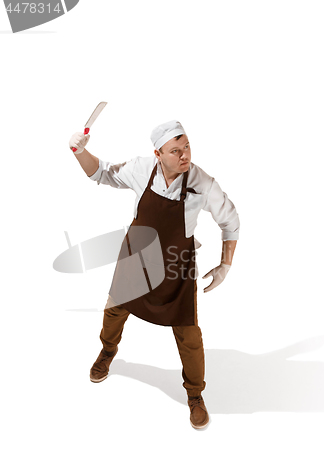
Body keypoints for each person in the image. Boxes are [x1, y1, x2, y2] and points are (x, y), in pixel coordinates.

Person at [69, 120, 240, 429]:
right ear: (158, 153)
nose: (185, 155)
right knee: (114, 309)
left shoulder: (202, 182)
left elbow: (231, 221)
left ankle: (195, 395)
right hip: (137, 255)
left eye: (187, 146)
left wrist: (225, 264)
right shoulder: (141, 168)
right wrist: (79, 151)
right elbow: (101, 173)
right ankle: (107, 352)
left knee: (188, 333)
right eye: (175, 150)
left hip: (176, 263)